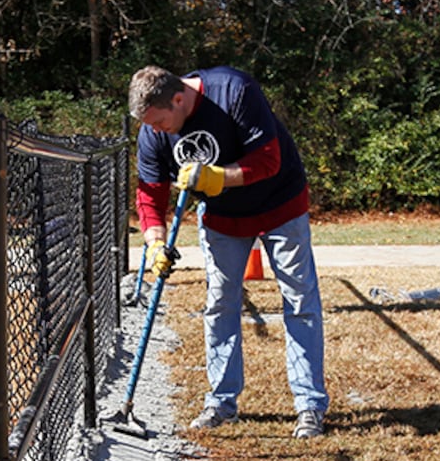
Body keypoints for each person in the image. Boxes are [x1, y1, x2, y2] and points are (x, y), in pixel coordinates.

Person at [128, 64, 328, 439]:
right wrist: (155, 243)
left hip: (281, 205)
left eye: (160, 122)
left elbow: (269, 159)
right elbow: (150, 195)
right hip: (222, 219)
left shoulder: (234, 92)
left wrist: (216, 177)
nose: (156, 131)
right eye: (150, 125)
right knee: (220, 304)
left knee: (300, 302)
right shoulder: (153, 132)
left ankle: (309, 406)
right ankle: (221, 403)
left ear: (178, 98)